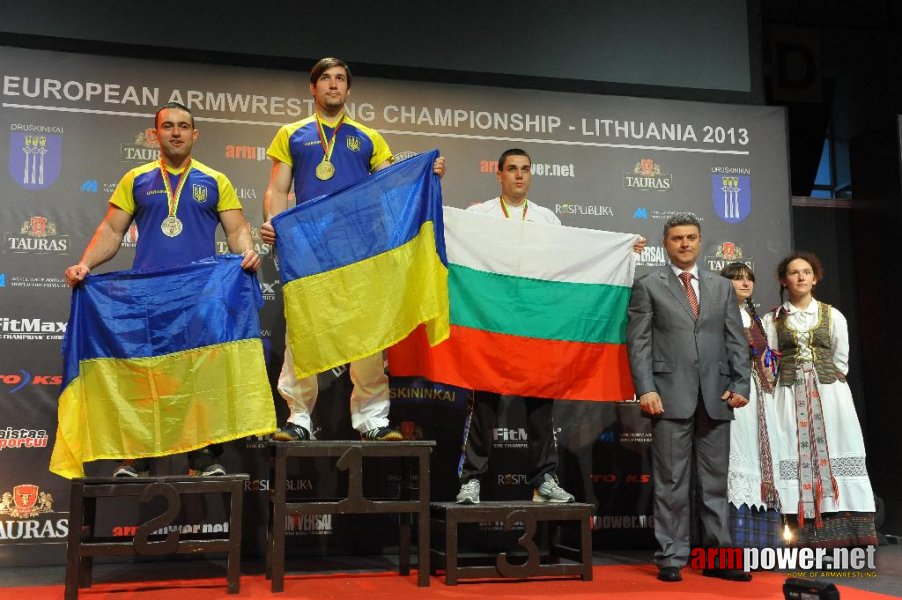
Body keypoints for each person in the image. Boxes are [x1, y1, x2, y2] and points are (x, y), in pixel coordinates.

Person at [64, 101, 261, 477]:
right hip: (148, 298)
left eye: (183, 126)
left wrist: (248, 253)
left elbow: (236, 230)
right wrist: (85, 264)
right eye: (168, 126)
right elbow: (111, 231)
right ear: (155, 134)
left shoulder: (214, 179)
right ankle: (138, 456)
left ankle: (202, 456)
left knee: (199, 377)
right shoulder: (136, 178)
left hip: (199, 296)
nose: (176, 132)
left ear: (194, 134)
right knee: (146, 376)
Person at [261, 57, 445, 442]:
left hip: (360, 249)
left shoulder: (368, 137)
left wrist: (427, 173)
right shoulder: (291, 134)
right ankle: (299, 418)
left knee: (368, 335)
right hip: (310, 249)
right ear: (313, 88)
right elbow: (278, 190)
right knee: (304, 332)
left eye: (340, 79)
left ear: (348, 89)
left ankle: (372, 420)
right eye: (325, 78)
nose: (333, 85)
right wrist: (277, 226)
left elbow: (392, 185)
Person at [455, 148, 645, 505]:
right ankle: (471, 481)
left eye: (525, 169)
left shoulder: (547, 219)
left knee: (541, 405)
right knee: (484, 404)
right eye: (511, 169)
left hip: (535, 324)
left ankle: (544, 479)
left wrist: (622, 251)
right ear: (498, 175)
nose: (519, 175)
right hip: (490, 321)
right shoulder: (476, 215)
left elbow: (571, 263)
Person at [626, 213, 751, 583]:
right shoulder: (648, 285)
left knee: (715, 483)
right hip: (667, 396)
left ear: (700, 241)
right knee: (670, 482)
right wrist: (645, 388)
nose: (685, 244)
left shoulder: (721, 287)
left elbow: (735, 340)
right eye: (677, 238)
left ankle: (716, 556)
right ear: (666, 244)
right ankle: (671, 556)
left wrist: (741, 385)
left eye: (691, 237)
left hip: (717, 396)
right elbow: (639, 343)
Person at [763, 253, 877, 547]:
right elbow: (768, 362)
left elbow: (841, 360)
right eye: (793, 272)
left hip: (828, 396)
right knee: (792, 453)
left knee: (835, 450)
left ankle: (844, 536)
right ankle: (797, 537)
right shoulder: (773, 319)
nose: (800, 277)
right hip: (788, 397)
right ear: (783, 280)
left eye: (806, 272)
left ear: (815, 278)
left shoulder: (832, 315)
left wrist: (819, 378)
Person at [719, 262, 783, 547]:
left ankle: (763, 540)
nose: (745, 284)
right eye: (737, 279)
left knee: (760, 455)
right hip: (731, 390)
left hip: (758, 393)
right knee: (736, 450)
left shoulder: (753, 316)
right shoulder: (718, 313)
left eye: (749, 279)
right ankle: (733, 538)